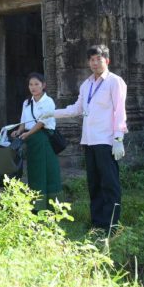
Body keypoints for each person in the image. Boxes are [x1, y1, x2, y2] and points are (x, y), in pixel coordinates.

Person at [42, 44, 127, 231]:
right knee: (94, 183)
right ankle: (97, 223)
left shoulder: (115, 81)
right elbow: (77, 109)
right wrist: (52, 113)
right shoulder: (86, 84)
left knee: (109, 184)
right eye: (91, 59)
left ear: (107, 60)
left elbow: (119, 111)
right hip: (89, 140)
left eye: (98, 59)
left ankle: (111, 224)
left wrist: (118, 138)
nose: (95, 63)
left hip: (106, 140)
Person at [11, 72, 61, 211]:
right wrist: (19, 131)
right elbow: (23, 122)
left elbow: (41, 123)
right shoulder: (26, 102)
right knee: (34, 172)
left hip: (43, 139)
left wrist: (27, 133)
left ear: (43, 85)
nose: (33, 87)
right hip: (32, 141)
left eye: (36, 84)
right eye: (31, 84)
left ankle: (52, 208)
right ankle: (36, 207)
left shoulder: (48, 101)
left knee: (48, 172)